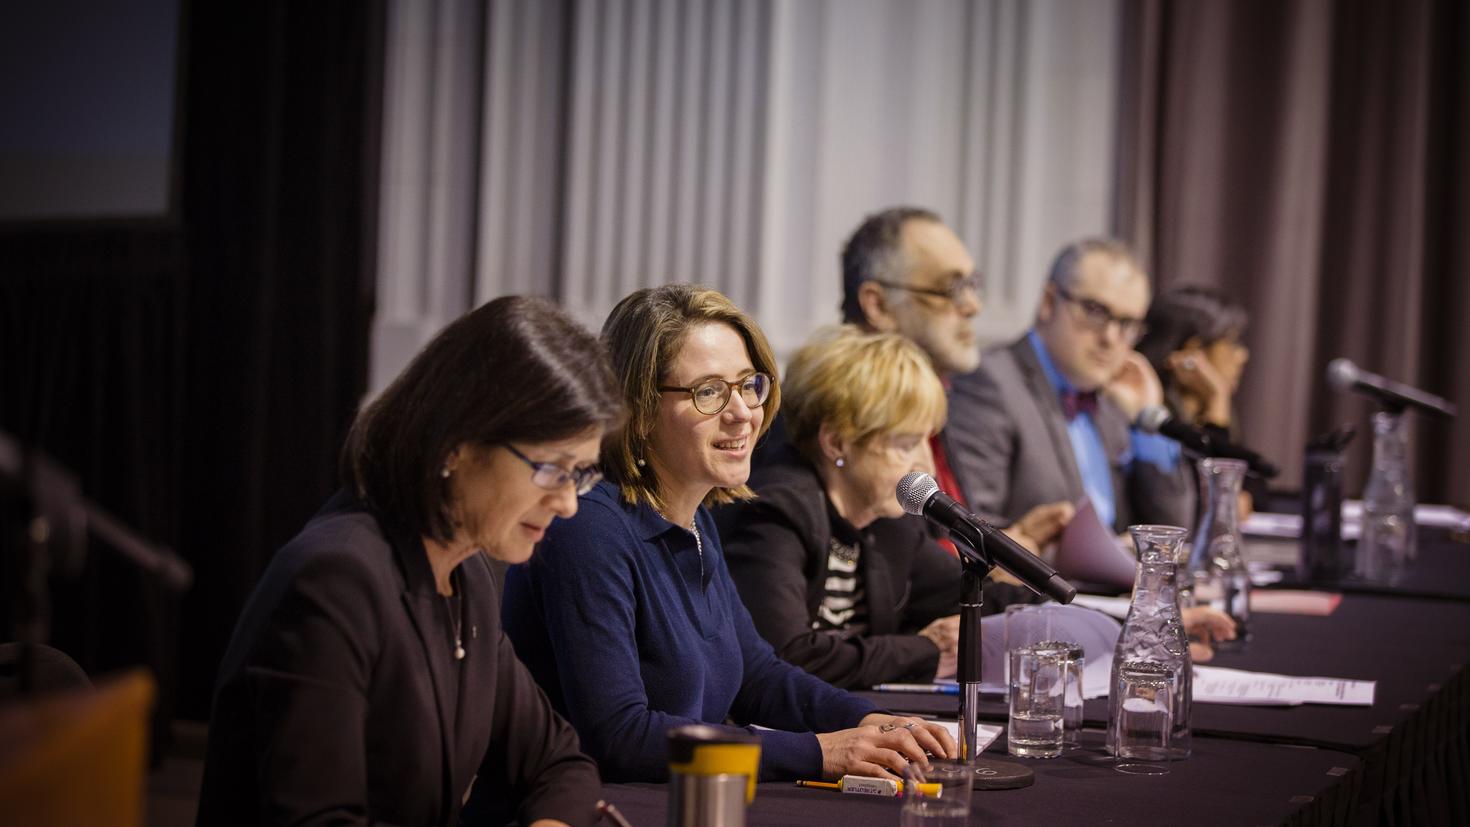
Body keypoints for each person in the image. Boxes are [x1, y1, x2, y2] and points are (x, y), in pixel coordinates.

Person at [501, 285, 957, 784]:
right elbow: (620, 735)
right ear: (639, 408)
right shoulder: (588, 531)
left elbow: (757, 675)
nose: (742, 411)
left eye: (748, 385)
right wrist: (819, 752)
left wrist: (867, 721)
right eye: (710, 392)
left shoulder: (695, 520)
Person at [197, 297, 618, 827]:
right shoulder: (336, 580)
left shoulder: (468, 575)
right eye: (552, 469)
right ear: (456, 447)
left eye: (580, 473)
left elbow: (558, 761)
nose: (568, 502)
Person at [715, 327, 964, 688]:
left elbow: (968, 594)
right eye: (906, 443)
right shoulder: (776, 512)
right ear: (836, 442)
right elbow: (787, 656)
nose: (924, 464)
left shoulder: (883, 516)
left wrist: (1053, 611)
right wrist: (925, 652)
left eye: (926, 441)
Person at [837, 207, 1074, 557]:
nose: (973, 306)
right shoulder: (849, 414)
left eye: (972, 285)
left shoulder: (929, 396)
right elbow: (900, 575)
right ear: (878, 305)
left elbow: (932, 552)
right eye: (951, 288)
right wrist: (991, 562)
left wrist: (1001, 542)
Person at [947, 237, 1195, 535]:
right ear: (1049, 302)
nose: (1111, 338)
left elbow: (1176, 529)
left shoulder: (1115, 400)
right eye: (1095, 310)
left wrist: (1147, 422)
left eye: (1128, 324)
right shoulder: (989, 380)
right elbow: (970, 529)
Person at [1135, 284, 1269, 508]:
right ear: (1192, 351)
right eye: (1232, 343)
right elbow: (1204, 503)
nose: (1243, 355)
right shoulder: (1153, 415)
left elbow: (1257, 489)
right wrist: (1218, 399)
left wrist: (1219, 402)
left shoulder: (1207, 410)